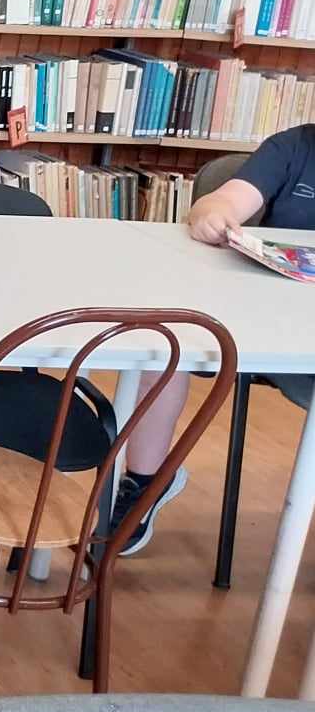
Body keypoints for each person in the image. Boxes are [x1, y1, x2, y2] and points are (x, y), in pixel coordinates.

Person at [107, 122, 315, 555]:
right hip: (266, 322)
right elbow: (223, 200)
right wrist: (212, 216)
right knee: (165, 345)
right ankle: (146, 481)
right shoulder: (295, 146)